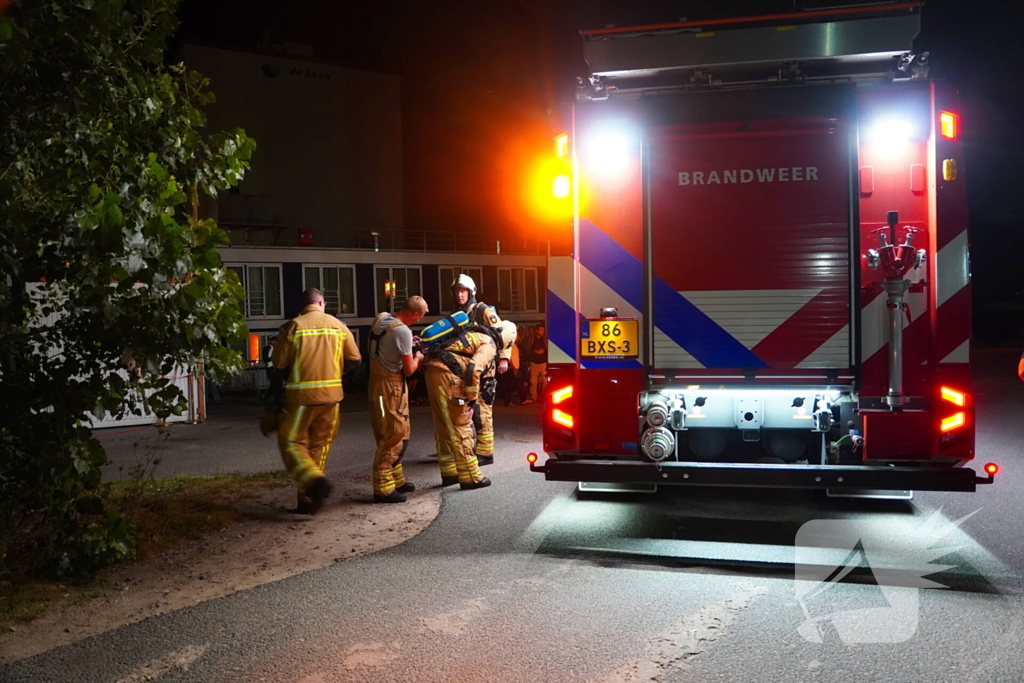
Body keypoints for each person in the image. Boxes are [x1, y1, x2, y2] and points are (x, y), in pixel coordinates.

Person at [272, 287, 361, 514]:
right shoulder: (338, 325)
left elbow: (279, 364)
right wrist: (335, 374)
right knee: (319, 446)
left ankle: (312, 482)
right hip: (332, 398)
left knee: (292, 442)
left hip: (301, 398)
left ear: (304, 306)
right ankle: (308, 499)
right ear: (322, 303)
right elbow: (355, 359)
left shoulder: (293, 326)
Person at [424, 320, 517, 489]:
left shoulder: (475, 334)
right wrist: (472, 399)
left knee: (444, 425)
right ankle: (470, 477)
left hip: (433, 372)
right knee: (461, 425)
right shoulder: (489, 344)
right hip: (449, 377)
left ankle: (450, 473)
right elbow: (474, 368)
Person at [368, 296, 428, 503]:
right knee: (393, 434)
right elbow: (410, 369)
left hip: (376, 385)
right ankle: (383, 488)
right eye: (418, 318)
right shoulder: (403, 331)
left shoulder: (381, 319)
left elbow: (388, 343)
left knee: (395, 430)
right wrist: (419, 355)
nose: (416, 322)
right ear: (414, 314)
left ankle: (397, 479)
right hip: (391, 388)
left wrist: (407, 345)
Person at [449, 274, 514, 466]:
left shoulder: (482, 310)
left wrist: (504, 358)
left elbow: (503, 332)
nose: (460, 295)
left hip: (484, 367)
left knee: (481, 409)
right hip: (465, 368)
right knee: (466, 408)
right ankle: (469, 449)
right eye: (457, 292)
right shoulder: (458, 315)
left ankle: (485, 453)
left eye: (463, 291)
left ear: (471, 292)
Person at [524, 323, 548, 404]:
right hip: (534, 363)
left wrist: (543, 351)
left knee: (545, 381)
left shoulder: (545, 339)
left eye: (543, 330)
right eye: (541, 330)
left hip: (543, 363)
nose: (542, 331)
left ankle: (545, 397)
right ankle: (533, 396)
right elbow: (527, 350)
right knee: (533, 381)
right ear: (537, 330)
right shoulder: (531, 339)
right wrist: (533, 351)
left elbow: (548, 349)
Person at [263, 335, 284, 402]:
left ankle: (277, 399)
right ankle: (267, 396)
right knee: (275, 384)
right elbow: (266, 359)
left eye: (275, 340)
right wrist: (273, 359)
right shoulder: (267, 349)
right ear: (270, 341)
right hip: (271, 368)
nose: (274, 342)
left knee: (278, 384)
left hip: (277, 367)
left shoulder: (278, 348)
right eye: (272, 340)